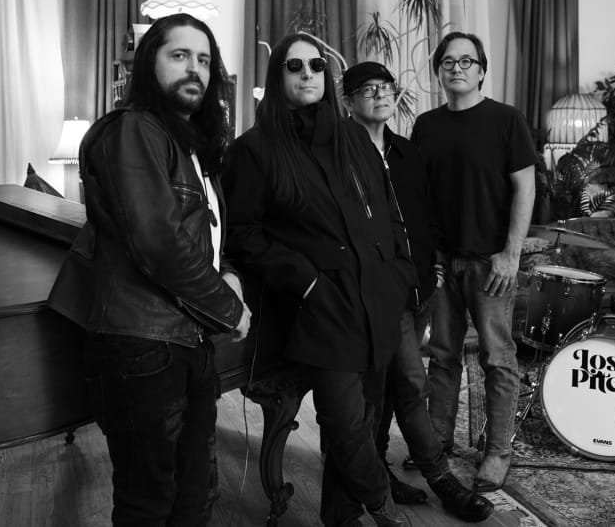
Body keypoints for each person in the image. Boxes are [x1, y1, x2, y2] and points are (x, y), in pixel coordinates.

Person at [47, 13, 252, 526]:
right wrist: (229, 307)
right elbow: (158, 242)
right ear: (148, 64)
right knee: (149, 502)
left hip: (186, 340)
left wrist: (229, 272)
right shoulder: (133, 129)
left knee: (195, 494)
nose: (194, 69)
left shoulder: (188, 143)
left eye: (204, 59)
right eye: (179, 55)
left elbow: (206, 234)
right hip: (142, 344)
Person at [222, 34, 417, 527]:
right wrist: (307, 282)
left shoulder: (353, 136)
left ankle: (340, 518)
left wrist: (399, 271)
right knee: (344, 423)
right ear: (278, 77)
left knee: (368, 417)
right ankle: (385, 508)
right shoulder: (254, 149)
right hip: (321, 305)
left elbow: (389, 209)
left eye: (315, 65)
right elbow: (243, 235)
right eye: (294, 66)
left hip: (378, 294)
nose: (307, 73)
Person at [340, 61, 494, 523]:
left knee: (392, 389)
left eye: (385, 87)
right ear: (348, 101)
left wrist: (434, 268)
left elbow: (425, 217)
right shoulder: (339, 152)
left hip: (419, 285)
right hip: (373, 292)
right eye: (367, 89)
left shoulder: (407, 152)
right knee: (410, 382)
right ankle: (441, 478)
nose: (380, 95)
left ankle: (379, 471)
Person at [410, 32, 536, 492]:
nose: (457, 68)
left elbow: (525, 188)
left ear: (482, 70)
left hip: (491, 263)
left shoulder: (506, 120)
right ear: (438, 71)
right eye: (448, 61)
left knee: (497, 358)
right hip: (442, 262)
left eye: (467, 61)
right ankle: (436, 442)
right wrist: (426, 257)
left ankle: (498, 452)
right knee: (443, 357)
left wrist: (511, 253)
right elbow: (420, 196)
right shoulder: (426, 125)